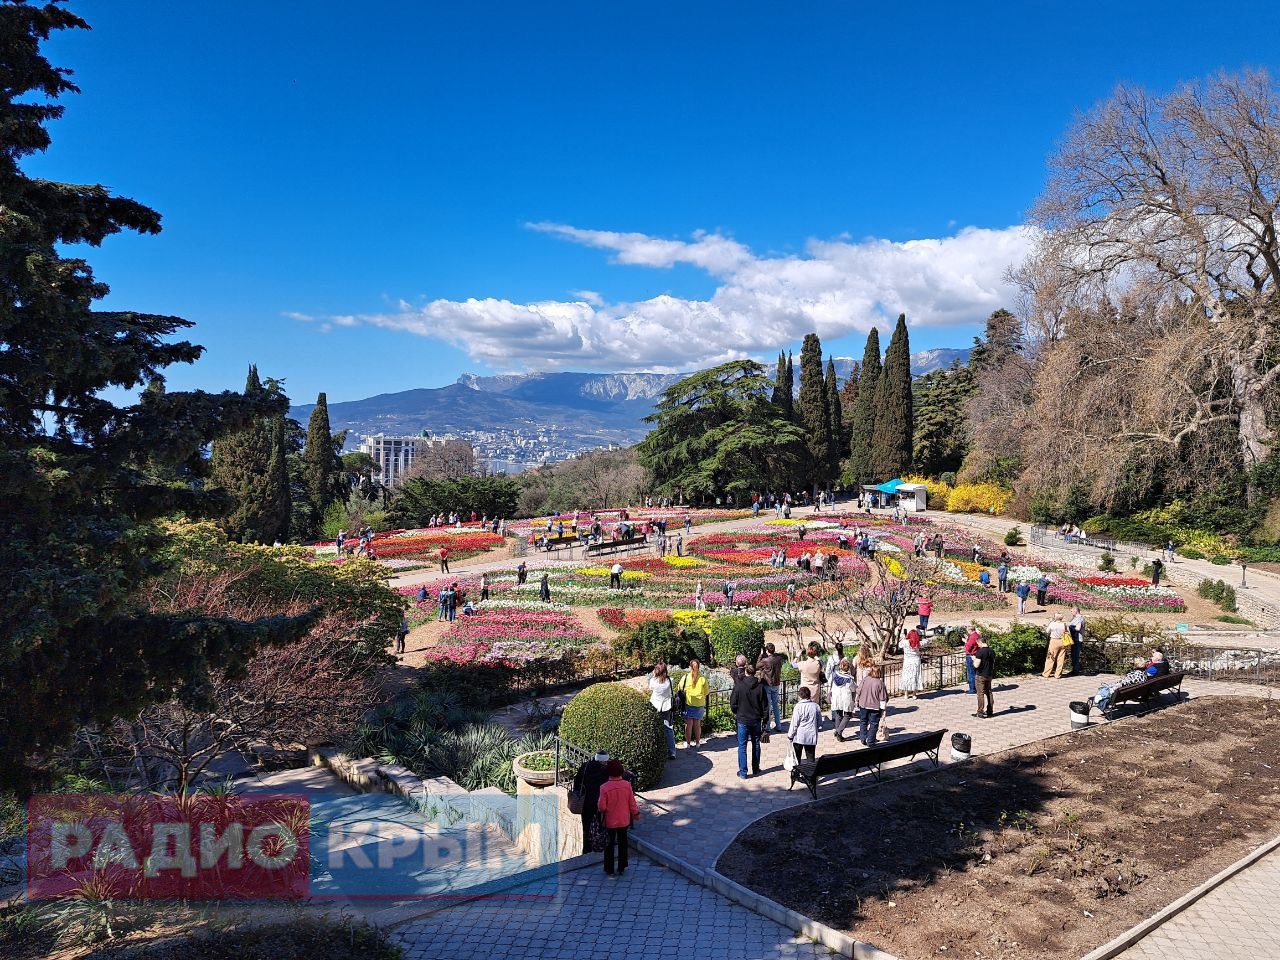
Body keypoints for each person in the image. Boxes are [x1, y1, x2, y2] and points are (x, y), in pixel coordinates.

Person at [596, 759, 639, 876]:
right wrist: (636, 813)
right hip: (623, 820)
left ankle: (609, 868)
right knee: (623, 842)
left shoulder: (604, 787)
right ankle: (622, 866)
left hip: (609, 821)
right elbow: (632, 802)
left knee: (609, 845)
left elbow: (601, 807)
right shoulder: (627, 785)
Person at [730, 664, 768, 778]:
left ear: (746, 672)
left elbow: (733, 703)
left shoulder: (739, 686)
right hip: (756, 719)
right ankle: (756, 769)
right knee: (756, 744)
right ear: (754, 673)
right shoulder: (760, 687)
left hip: (742, 719)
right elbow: (765, 706)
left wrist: (737, 712)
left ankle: (743, 772)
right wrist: (764, 720)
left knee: (742, 746)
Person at [572, 751, 610, 856]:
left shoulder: (585, 766)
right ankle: (597, 846)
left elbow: (577, 782)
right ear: (604, 761)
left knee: (586, 827)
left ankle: (586, 850)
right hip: (598, 803)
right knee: (599, 826)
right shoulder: (605, 771)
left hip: (585, 803)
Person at [854, 665, 889, 745]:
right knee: (874, 723)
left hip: (863, 705)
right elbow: (883, 698)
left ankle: (863, 738)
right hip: (875, 707)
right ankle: (870, 740)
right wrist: (883, 710)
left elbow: (858, 690)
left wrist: (857, 700)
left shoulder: (865, 679)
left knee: (863, 721)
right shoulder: (880, 683)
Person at [649, 663, 677, 759]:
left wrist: (654, 675)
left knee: (655, 728)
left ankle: (657, 750)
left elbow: (650, 688)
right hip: (666, 707)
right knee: (668, 729)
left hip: (655, 706)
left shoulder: (653, 681)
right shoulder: (670, 681)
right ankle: (672, 752)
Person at [787, 686, 821, 765]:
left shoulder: (798, 707)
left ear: (800, 696)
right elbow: (819, 723)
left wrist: (790, 735)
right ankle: (811, 774)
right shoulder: (816, 706)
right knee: (811, 757)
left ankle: (798, 774)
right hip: (811, 736)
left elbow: (795, 723)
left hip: (799, 736)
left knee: (797, 757)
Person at [680, 659, 710, 747]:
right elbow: (707, 692)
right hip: (699, 704)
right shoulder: (703, 679)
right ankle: (697, 743)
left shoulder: (685, 677)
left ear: (690, 667)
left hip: (688, 703)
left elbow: (680, 688)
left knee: (688, 724)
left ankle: (688, 743)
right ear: (699, 667)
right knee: (697, 724)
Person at [756, 642, 784, 733]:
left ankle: (767, 727)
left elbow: (757, 666)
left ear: (767, 650)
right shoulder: (779, 659)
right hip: (776, 684)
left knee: (767, 706)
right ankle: (779, 726)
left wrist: (761, 655)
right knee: (776, 705)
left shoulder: (765, 660)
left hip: (767, 684)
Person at [830, 658, 857, 741]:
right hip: (846, 698)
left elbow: (829, 683)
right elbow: (853, 689)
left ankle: (839, 733)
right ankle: (838, 731)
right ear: (848, 668)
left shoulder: (834, 675)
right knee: (848, 715)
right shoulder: (849, 679)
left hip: (836, 697)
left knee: (838, 714)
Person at [797, 642, 825, 718]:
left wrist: (797, 655)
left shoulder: (802, 664)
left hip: (804, 690)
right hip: (815, 689)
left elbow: (792, 664)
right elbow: (823, 662)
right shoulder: (818, 663)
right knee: (814, 708)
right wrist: (815, 656)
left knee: (804, 709)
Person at [971, 634, 995, 718]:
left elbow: (976, 665)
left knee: (980, 693)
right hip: (989, 674)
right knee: (989, 692)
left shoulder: (980, 652)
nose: (978, 645)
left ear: (980, 642)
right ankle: (990, 711)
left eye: (978, 643)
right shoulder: (992, 651)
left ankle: (980, 711)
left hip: (981, 675)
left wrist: (974, 660)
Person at [1042, 613, 1070, 679]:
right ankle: (1058, 675)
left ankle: (1046, 673)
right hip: (1062, 641)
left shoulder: (1052, 624)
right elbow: (1068, 633)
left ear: (1055, 617)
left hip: (1054, 641)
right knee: (1061, 659)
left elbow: (1047, 631)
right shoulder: (1064, 624)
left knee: (1051, 657)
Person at [900, 627, 923, 698]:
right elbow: (927, 641)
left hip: (907, 661)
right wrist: (921, 635)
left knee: (906, 677)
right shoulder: (918, 643)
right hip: (916, 661)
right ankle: (914, 694)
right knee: (915, 676)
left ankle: (906, 694)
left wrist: (904, 638)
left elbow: (899, 645)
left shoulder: (905, 642)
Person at [1068, 607, 1086, 675]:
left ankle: (1075, 670)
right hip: (1074, 638)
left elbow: (1078, 628)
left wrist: (1070, 627)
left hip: (1077, 639)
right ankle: (1074, 669)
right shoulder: (1076, 618)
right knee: (1074, 654)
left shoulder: (1079, 618)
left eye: (1072, 611)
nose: (1071, 613)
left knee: (1075, 655)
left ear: (1076, 611)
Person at [963, 626, 980, 694]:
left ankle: (972, 689)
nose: (967, 632)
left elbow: (968, 647)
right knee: (976, 672)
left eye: (967, 630)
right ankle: (977, 687)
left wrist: (965, 642)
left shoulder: (973, 637)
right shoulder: (977, 635)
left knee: (971, 672)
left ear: (970, 630)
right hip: (977, 655)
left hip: (971, 655)